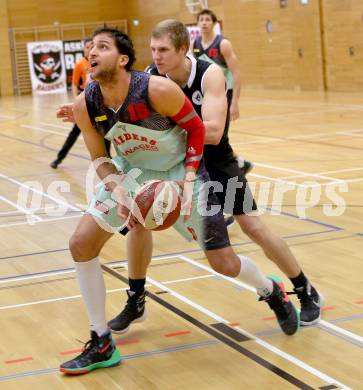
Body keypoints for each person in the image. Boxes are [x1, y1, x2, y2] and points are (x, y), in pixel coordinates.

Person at [57, 27, 299, 375]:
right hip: (132, 172)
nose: (92, 52)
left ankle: (270, 289)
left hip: (181, 171)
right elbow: (100, 158)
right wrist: (121, 192)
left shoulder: (155, 89)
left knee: (224, 264)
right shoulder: (86, 103)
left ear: (122, 59)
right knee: (81, 244)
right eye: (89, 48)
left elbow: (198, 131)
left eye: (102, 46)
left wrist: (186, 183)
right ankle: (101, 341)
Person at [108, 20, 322, 337]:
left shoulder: (209, 74)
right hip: (178, 162)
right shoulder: (152, 77)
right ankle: (136, 296)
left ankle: (303, 288)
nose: (157, 57)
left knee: (253, 227)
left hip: (216, 160)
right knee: (140, 219)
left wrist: (166, 128)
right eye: (153, 50)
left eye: (164, 50)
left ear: (183, 49)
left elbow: (212, 131)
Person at [192, 8, 252, 175]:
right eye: (201, 19)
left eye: (207, 20)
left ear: (214, 23)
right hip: (205, 93)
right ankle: (238, 162)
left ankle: (234, 166)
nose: (204, 22)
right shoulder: (194, 44)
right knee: (208, 135)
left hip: (224, 94)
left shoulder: (223, 44)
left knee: (219, 136)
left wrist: (235, 102)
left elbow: (236, 73)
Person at [51, 38, 110, 169]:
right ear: (84, 49)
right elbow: (74, 84)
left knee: (105, 131)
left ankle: (109, 161)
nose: (90, 49)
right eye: (88, 47)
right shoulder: (80, 64)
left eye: (92, 46)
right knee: (74, 133)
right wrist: (77, 101)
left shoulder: (101, 63)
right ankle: (59, 158)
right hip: (85, 103)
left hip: (100, 103)